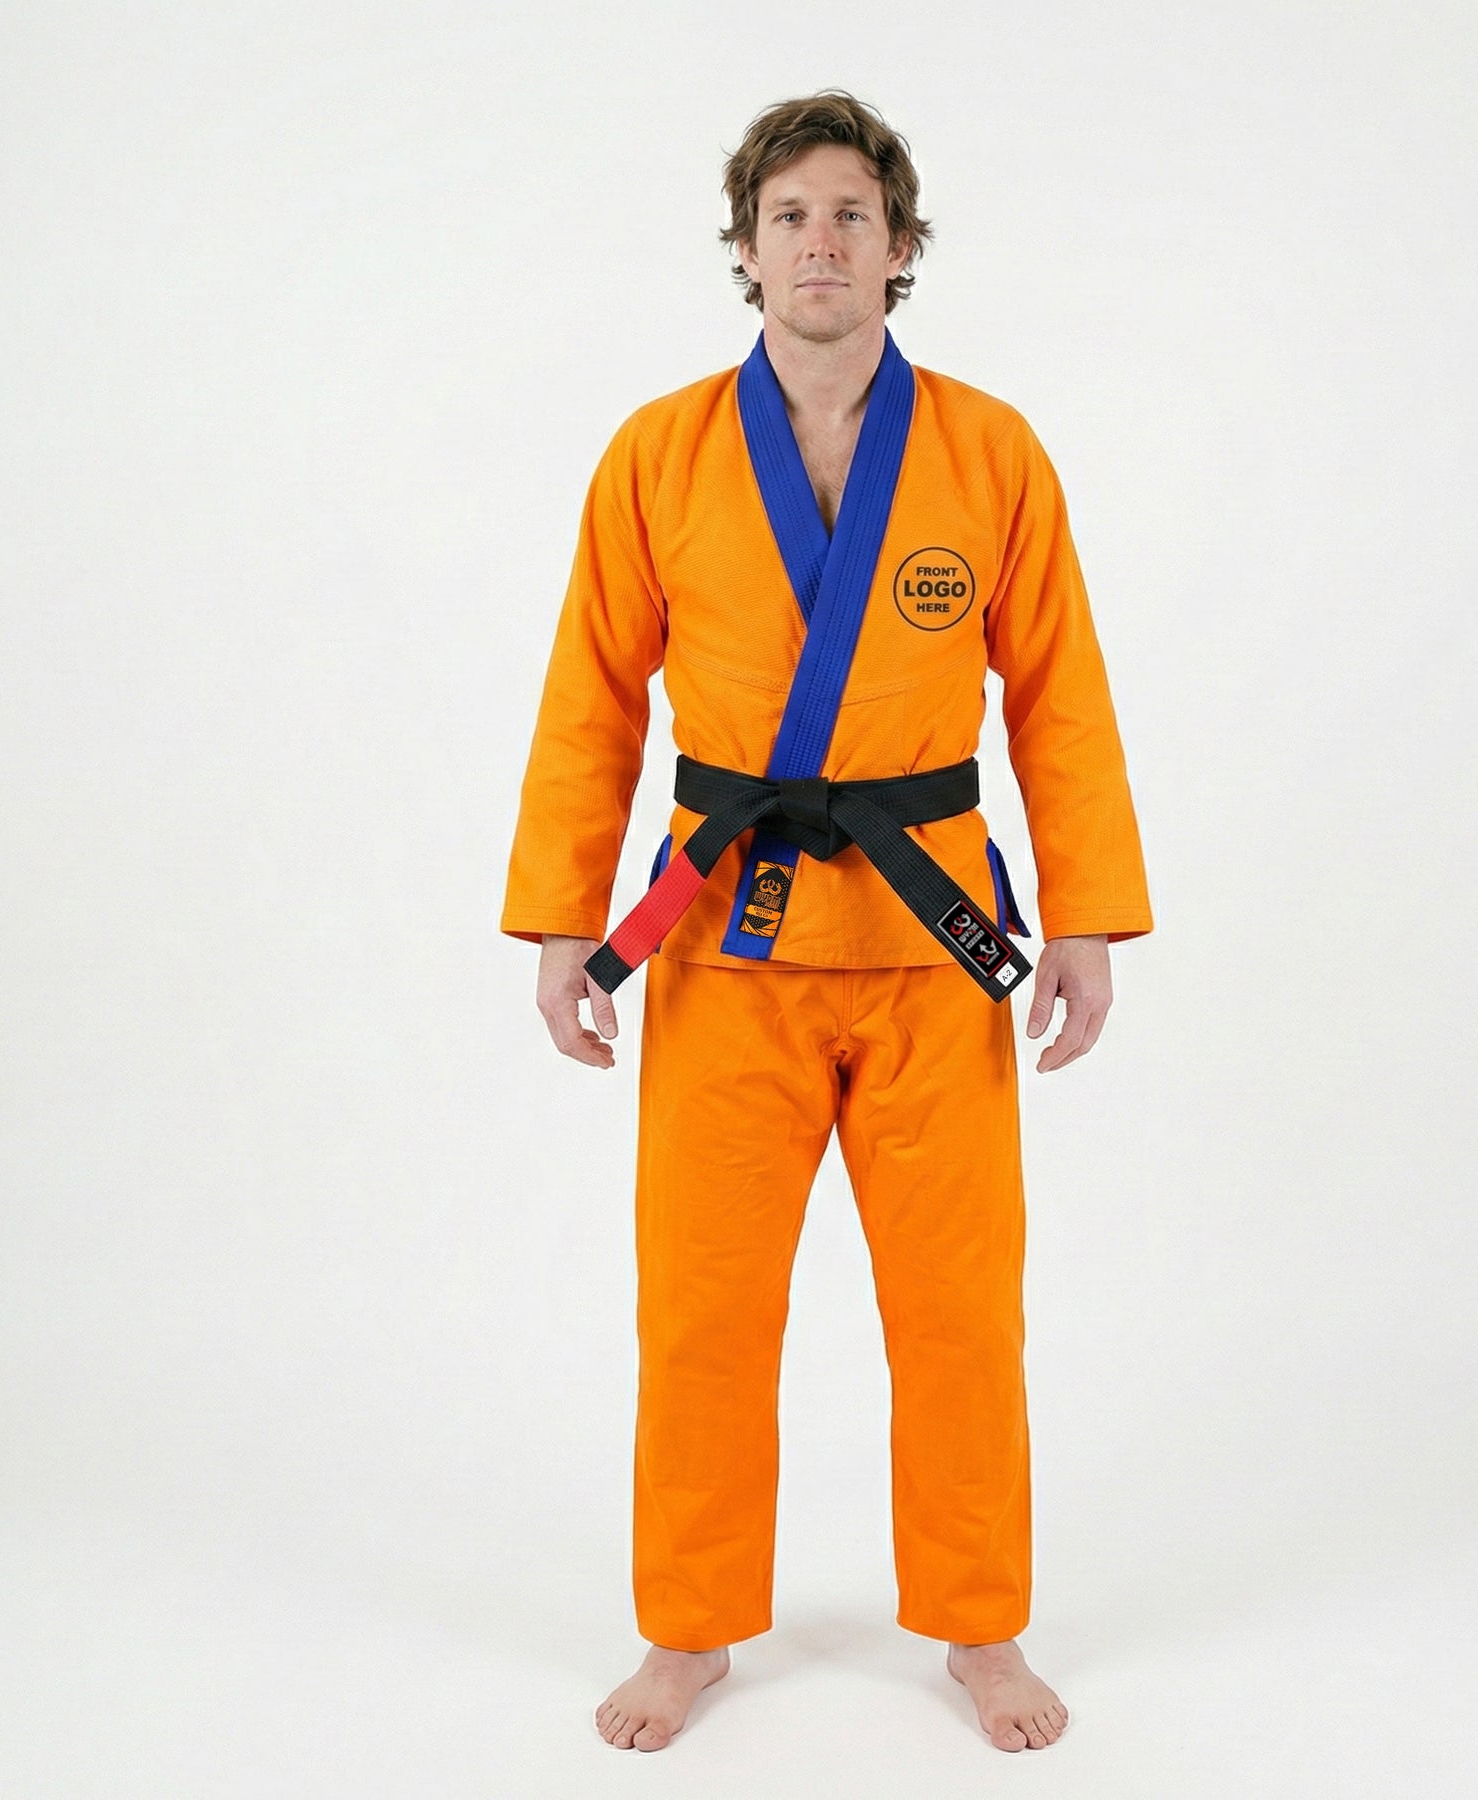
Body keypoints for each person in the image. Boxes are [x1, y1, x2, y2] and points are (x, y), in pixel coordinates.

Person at [499, 90, 1153, 1754]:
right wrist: (565, 921)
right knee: (703, 1310)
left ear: (901, 247)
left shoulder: (990, 451)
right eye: (789, 215)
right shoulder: (657, 454)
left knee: (960, 1313)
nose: (821, 243)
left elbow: (1059, 697)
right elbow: (593, 700)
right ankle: (689, 1630)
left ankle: (982, 1628)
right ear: (744, 249)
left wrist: (1087, 916)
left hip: (935, 945)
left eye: (853, 214)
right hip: (727, 942)